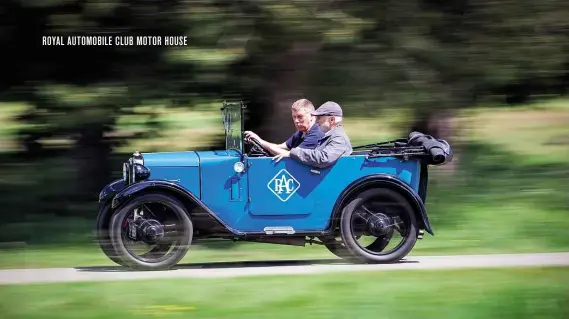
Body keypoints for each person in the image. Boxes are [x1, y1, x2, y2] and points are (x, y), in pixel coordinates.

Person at [273, 101, 352, 168]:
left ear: (332, 119)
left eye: (319, 118)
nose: (316, 121)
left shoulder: (338, 138)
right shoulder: (330, 136)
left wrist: (292, 153)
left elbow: (323, 158)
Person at [244, 99, 324, 156]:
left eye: (300, 117)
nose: (296, 121)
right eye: (294, 117)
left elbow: (291, 155)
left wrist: (260, 140)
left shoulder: (315, 135)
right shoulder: (301, 133)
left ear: (312, 116)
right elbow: (280, 147)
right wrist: (257, 141)